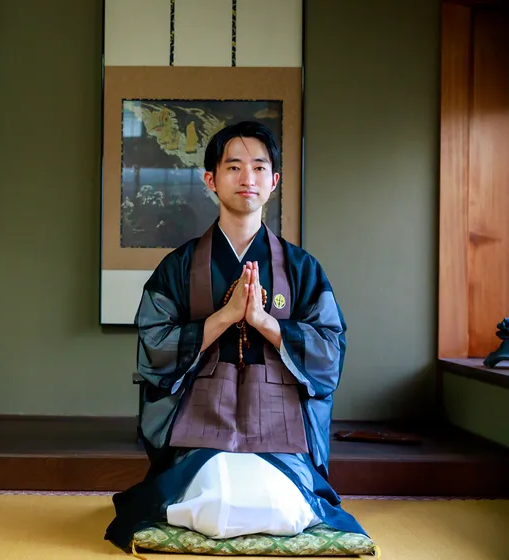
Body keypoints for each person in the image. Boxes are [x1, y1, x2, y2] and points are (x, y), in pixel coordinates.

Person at [104, 121, 368, 552]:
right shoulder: (179, 267)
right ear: (211, 179)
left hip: (279, 429)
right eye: (233, 167)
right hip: (202, 426)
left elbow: (329, 352)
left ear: (274, 182)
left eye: (260, 168)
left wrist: (267, 323)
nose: (248, 178)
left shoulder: (302, 269)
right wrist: (224, 317)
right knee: (218, 502)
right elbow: (154, 345)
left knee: (282, 509)